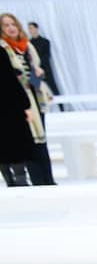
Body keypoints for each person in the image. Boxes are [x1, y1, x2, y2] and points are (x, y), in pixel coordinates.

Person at [1, 12, 55, 185]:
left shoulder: (27, 46)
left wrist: (37, 75)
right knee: (28, 141)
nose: (10, 28)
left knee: (41, 140)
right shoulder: (4, 49)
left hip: (36, 98)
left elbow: (34, 74)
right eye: (6, 25)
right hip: (18, 102)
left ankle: (48, 180)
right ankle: (37, 181)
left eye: (13, 24)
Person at [0, 38, 35, 186]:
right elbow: (9, 79)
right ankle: (19, 181)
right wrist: (24, 104)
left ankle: (12, 182)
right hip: (8, 107)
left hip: (8, 107)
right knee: (13, 147)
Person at [26, 22, 60, 97]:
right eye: (29, 28)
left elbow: (47, 55)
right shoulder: (29, 43)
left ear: (36, 28)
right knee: (36, 90)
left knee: (53, 88)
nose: (30, 30)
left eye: (31, 28)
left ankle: (62, 108)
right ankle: (41, 108)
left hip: (45, 68)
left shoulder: (45, 41)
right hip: (35, 69)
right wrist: (35, 67)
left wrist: (40, 66)